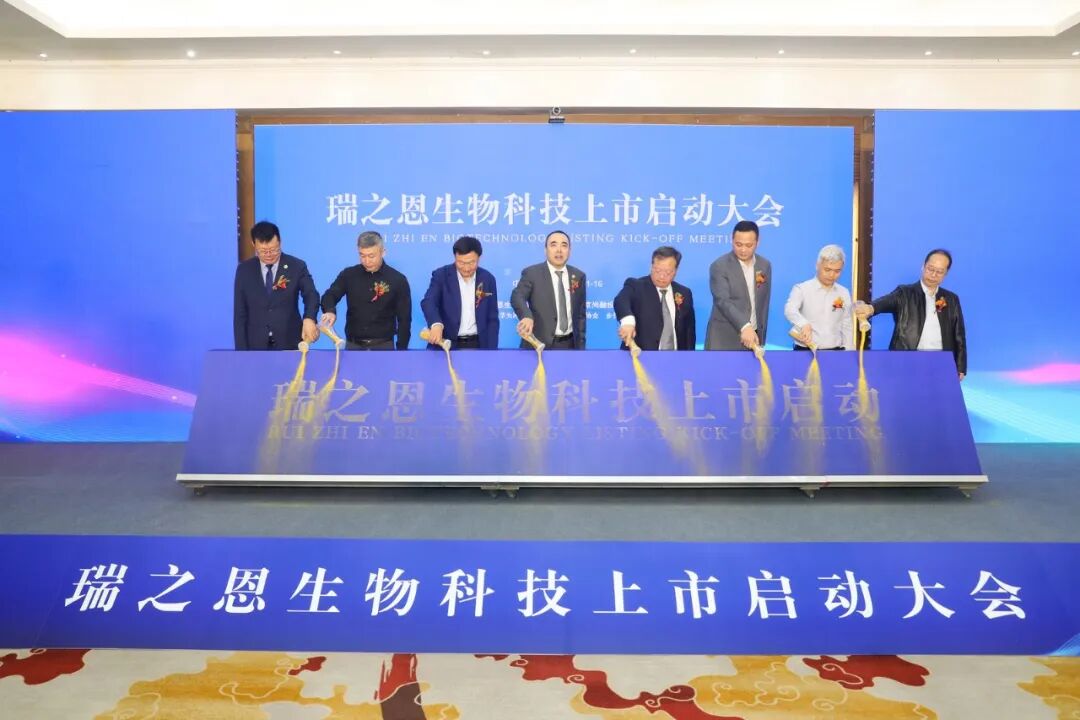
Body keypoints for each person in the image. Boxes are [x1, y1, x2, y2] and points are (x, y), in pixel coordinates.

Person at [856, 248, 967, 379]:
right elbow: (886, 302)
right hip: (906, 361)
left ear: (946, 273)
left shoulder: (951, 299)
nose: (933, 275)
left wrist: (961, 367)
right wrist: (871, 308)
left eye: (939, 272)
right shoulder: (904, 293)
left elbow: (959, 336)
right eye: (930, 269)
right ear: (923, 266)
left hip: (941, 362)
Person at [233, 220, 320, 351]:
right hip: (255, 344)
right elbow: (240, 312)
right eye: (263, 251)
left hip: (289, 342)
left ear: (280, 242)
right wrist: (241, 351)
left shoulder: (296, 266)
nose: (269, 255)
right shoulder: (244, 270)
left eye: (274, 250)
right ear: (253, 245)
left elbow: (311, 294)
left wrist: (309, 318)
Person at [320, 231, 411, 350]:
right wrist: (330, 311)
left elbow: (404, 320)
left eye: (371, 256)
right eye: (362, 256)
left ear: (383, 252)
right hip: (353, 346)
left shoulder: (398, 279)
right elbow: (329, 295)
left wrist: (401, 351)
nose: (367, 261)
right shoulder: (349, 275)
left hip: (384, 347)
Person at [510, 230, 587, 349]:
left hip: (570, 345)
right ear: (545, 250)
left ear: (569, 251)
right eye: (553, 245)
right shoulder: (532, 273)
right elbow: (517, 296)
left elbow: (580, 315)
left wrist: (581, 347)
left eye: (564, 245)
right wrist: (526, 316)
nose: (559, 250)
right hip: (538, 344)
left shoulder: (578, 276)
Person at [420, 236, 499, 350]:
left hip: (478, 345)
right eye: (461, 263)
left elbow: (492, 318)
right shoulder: (441, 275)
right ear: (455, 257)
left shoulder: (488, 279)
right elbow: (428, 302)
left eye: (471, 263)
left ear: (479, 258)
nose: (466, 268)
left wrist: (491, 351)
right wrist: (436, 324)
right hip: (446, 344)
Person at [705, 220, 772, 350]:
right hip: (724, 338)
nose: (743, 250)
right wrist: (745, 326)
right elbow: (723, 301)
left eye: (749, 245)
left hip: (753, 338)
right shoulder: (719, 266)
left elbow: (764, 302)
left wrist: (761, 336)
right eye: (738, 244)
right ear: (732, 240)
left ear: (757, 242)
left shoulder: (764, 265)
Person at [613, 246, 696, 351]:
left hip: (677, 358)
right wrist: (628, 322)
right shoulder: (636, 286)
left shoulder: (684, 293)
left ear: (676, 270)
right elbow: (621, 300)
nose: (661, 276)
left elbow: (689, 332)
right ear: (651, 266)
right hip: (641, 356)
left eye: (668, 272)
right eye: (657, 270)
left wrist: (689, 356)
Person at [784, 244, 854, 351]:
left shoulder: (843, 292)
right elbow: (790, 310)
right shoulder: (802, 289)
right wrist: (804, 324)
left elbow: (846, 323)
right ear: (817, 265)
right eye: (827, 269)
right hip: (805, 351)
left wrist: (849, 351)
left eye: (837, 271)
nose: (832, 275)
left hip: (835, 351)